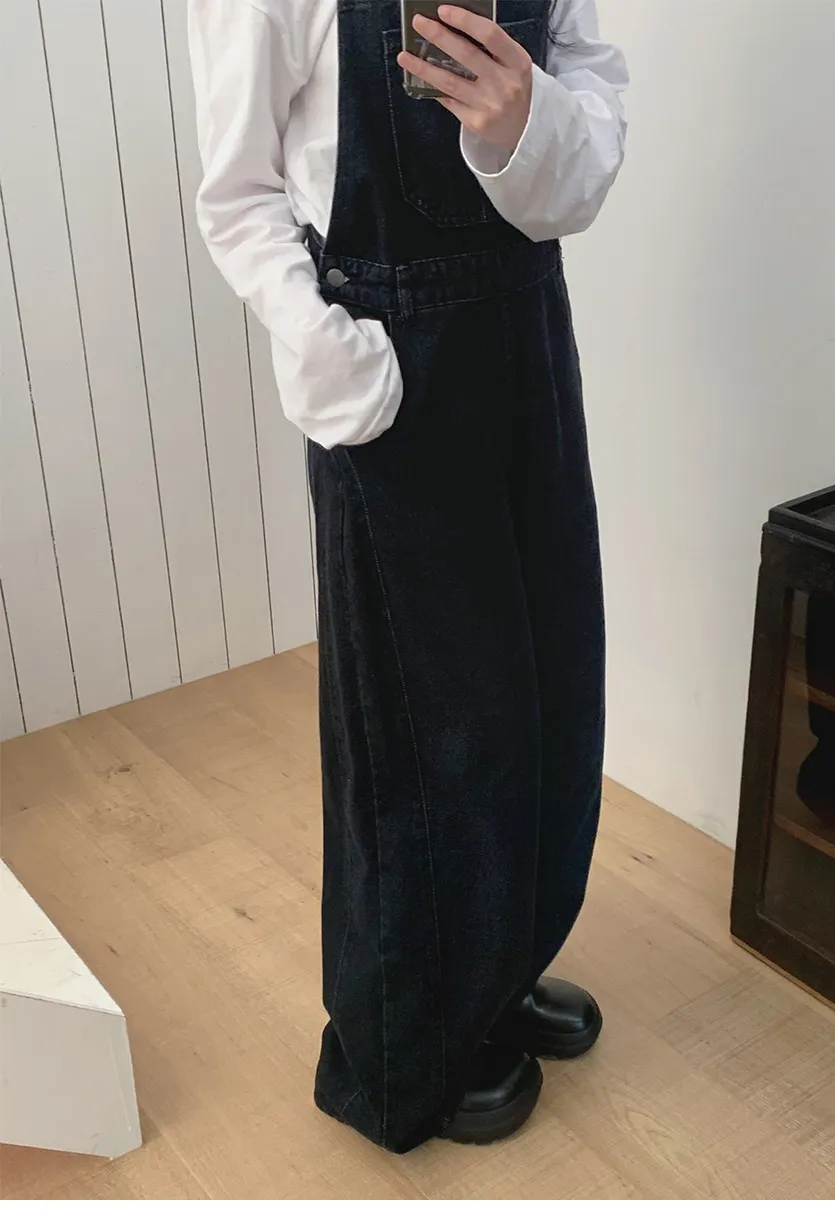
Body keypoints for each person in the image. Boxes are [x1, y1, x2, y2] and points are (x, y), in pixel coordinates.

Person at [188, 0, 628, 1154]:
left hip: (526, 333)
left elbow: (592, 118)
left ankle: (500, 969)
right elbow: (236, 192)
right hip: (388, 357)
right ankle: (409, 1040)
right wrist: (325, 348)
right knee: (428, 725)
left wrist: (524, 127)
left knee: (551, 682)